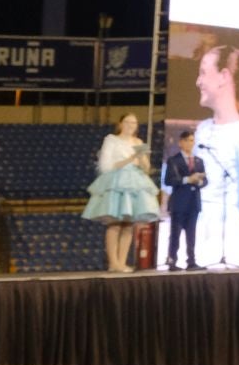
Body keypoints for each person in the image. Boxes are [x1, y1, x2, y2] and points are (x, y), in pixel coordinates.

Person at [193, 44, 239, 264]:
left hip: (227, 232)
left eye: (204, 73)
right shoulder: (202, 129)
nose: (198, 81)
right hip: (196, 226)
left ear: (223, 76)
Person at [81, 113, 160, 271]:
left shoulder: (139, 142)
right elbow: (106, 166)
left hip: (135, 182)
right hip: (117, 181)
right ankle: (113, 263)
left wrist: (142, 158)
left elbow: (146, 168)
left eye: (134, 123)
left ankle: (122, 262)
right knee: (115, 223)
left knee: (128, 224)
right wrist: (130, 159)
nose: (131, 125)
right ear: (121, 123)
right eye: (128, 122)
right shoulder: (111, 140)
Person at [162, 129, 207, 270]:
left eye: (192, 140)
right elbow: (169, 180)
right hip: (179, 202)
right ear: (181, 143)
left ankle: (191, 261)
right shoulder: (174, 160)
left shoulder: (199, 161)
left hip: (193, 202)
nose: (190, 143)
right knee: (175, 233)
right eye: (187, 140)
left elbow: (205, 181)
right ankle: (172, 260)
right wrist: (188, 179)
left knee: (191, 234)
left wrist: (199, 181)